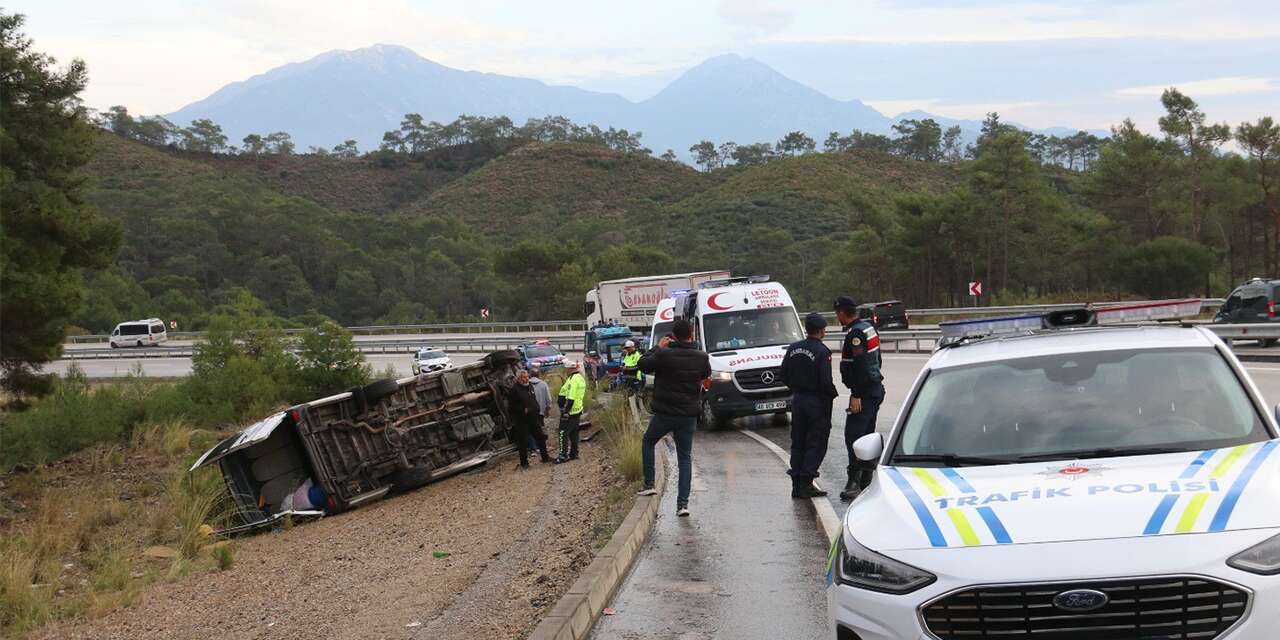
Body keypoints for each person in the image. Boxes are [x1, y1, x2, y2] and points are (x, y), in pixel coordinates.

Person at [636, 318, 711, 518]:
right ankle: (682, 505)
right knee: (684, 457)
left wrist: (656, 348)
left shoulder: (663, 354)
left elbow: (642, 364)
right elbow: (706, 374)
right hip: (688, 415)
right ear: (691, 335)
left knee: (648, 441)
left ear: (673, 336)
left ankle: (649, 483)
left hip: (665, 413)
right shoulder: (701, 356)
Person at [780, 312, 839, 499]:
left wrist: (797, 388)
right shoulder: (822, 352)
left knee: (798, 441)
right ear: (821, 330)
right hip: (816, 402)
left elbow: (783, 374)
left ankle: (796, 483)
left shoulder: (793, 348)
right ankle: (806, 482)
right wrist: (831, 395)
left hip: (798, 400)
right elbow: (825, 381)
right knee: (816, 442)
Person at [834, 295, 884, 501]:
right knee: (866, 434)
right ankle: (866, 480)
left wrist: (856, 394)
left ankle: (854, 482)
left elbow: (861, 363)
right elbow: (877, 359)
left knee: (853, 437)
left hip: (864, 393)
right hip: (874, 388)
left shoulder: (855, 334)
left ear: (841, 313)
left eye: (837, 313)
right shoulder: (868, 327)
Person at [507, 370, 551, 468]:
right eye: (523, 377)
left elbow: (532, 398)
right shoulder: (514, 390)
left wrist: (536, 408)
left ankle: (545, 457)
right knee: (522, 442)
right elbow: (511, 407)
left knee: (541, 437)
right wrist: (523, 409)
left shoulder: (530, 386)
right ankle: (524, 463)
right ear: (518, 379)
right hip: (521, 420)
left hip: (533, 418)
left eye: (527, 377)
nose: (526, 379)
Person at [556, 362, 588, 463]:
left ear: (570, 369)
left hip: (570, 411)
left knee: (562, 432)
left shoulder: (574, 380)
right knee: (574, 433)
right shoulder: (579, 378)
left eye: (566, 369)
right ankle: (574, 453)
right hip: (577, 410)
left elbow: (571, 398)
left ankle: (563, 455)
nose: (565, 371)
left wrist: (566, 411)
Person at [529, 367, 554, 459]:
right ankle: (541, 446)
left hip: (530, 412)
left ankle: (533, 448)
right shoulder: (543, 384)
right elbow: (549, 399)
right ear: (538, 375)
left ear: (530, 375)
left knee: (531, 430)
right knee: (540, 428)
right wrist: (547, 410)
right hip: (540, 411)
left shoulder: (526, 384)